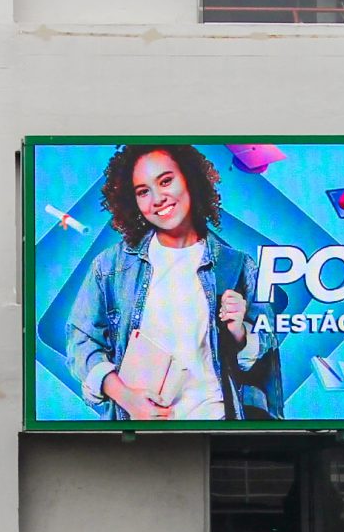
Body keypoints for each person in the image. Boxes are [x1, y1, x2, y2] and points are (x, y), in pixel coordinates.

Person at [64, 144, 279, 422]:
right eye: (143, 191)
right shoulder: (111, 267)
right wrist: (126, 397)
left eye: (166, 181)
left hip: (216, 423)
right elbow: (80, 341)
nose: (157, 198)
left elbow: (264, 357)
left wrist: (237, 331)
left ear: (189, 178)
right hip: (140, 432)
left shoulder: (237, 266)